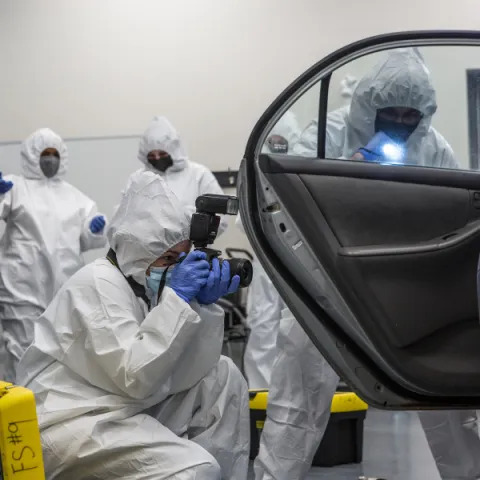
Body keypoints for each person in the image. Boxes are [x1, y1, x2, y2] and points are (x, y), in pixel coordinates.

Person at [252, 49, 465, 480]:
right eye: (392, 111)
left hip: (406, 292)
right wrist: (346, 173)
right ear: (371, 104)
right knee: (299, 395)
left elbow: (459, 209)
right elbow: (285, 208)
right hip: (329, 290)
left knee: (443, 396)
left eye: (411, 114)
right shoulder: (324, 136)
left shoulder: (433, 146)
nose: (401, 123)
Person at [16, 170, 250, 480]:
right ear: (136, 252)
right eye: (167, 258)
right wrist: (178, 300)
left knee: (222, 376)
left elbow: (187, 368)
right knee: (196, 471)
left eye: (181, 257)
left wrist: (200, 306)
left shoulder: (141, 284)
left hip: (119, 404)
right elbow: (136, 376)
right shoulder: (99, 283)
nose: (175, 268)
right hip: (73, 421)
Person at [0, 128, 107, 382]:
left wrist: (95, 230)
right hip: (22, 289)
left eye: (54, 153)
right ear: (31, 156)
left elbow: (89, 238)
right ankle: (18, 409)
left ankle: (52, 413)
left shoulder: (76, 197)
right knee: (20, 348)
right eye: (44, 154)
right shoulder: (16, 188)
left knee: (63, 351)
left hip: (64, 286)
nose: (49, 159)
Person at [242, 111, 302, 389]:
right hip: (265, 262)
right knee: (263, 326)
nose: (278, 146)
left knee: (301, 328)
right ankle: (260, 392)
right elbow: (244, 219)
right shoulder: (253, 174)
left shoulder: (301, 172)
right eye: (274, 142)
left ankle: (294, 390)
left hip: (301, 262)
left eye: (283, 142)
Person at [124, 115, 228, 233]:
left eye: (162, 154)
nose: (157, 158)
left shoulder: (198, 174)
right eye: (152, 156)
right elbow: (125, 219)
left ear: (174, 150)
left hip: (192, 249)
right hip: (149, 251)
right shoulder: (138, 179)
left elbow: (220, 218)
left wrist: (192, 234)